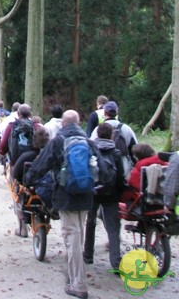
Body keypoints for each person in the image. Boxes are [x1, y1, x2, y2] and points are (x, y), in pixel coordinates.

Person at [24, 110, 94, 299]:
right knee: (77, 234)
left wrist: (28, 179)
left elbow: (42, 164)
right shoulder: (87, 140)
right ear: (78, 123)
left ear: (62, 123)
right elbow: (99, 166)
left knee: (72, 237)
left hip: (66, 195)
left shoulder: (58, 141)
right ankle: (73, 274)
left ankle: (78, 284)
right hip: (86, 195)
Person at [83, 122, 125, 270]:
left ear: (98, 134)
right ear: (111, 135)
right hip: (111, 193)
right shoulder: (116, 153)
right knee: (113, 227)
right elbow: (121, 176)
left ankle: (88, 254)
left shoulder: (91, 149)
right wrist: (121, 193)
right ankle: (115, 262)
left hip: (93, 191)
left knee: (91, 222)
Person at [90, 101, 137, 176]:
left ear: (105, 113)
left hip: (104, 170)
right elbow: (135, 149)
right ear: (117, 113)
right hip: (124, 169)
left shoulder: (98, 129)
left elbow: (92, 149)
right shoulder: (126, 128)